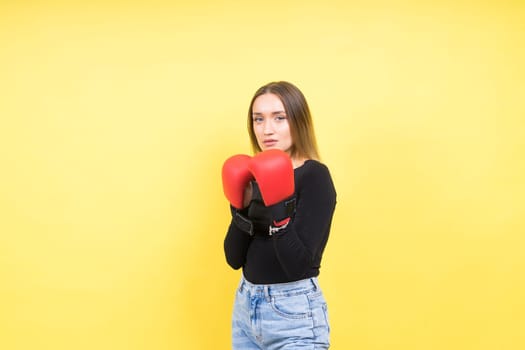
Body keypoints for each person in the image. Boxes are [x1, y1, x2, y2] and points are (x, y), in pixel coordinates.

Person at [222, 81, 337, 349]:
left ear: (298, 121)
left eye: (279, 118)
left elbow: (298, 266)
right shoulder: (254, 174)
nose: (267, 129)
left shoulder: (315, 176)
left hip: (293, 313)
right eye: (258, 119)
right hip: (245, 308)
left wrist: (278, 205)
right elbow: (233, 258)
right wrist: (240, 207)